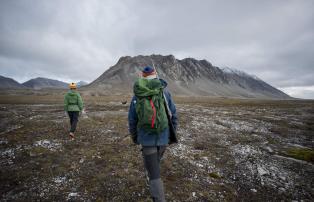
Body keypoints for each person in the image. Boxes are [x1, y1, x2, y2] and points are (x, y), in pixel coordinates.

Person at [128, 66, 178, 202]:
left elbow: (132, 119)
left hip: (146, 140)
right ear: (155, 75)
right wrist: (172, 132)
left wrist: (135, 137)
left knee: (154, 174)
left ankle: (158, 197)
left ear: (142, 76)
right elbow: (173, 114)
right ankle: (151, 175)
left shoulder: (137, 95)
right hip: (163, 139)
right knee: (155, 164)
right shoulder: (165, 92)